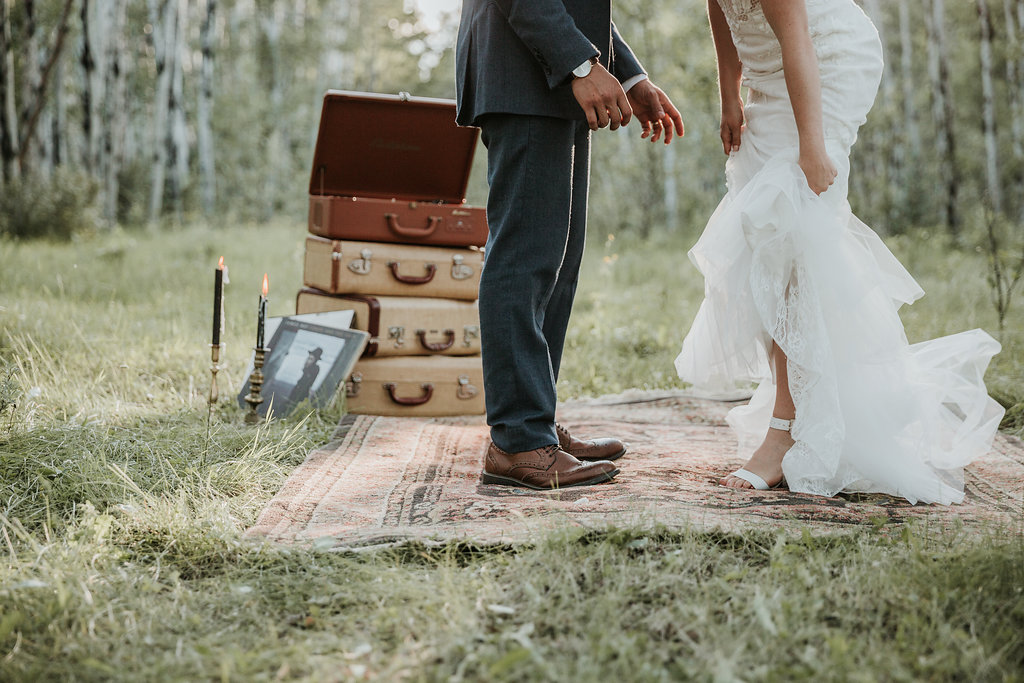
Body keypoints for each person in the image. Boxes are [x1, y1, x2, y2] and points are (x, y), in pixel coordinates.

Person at [676, 0, 1005, 504]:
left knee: (791, 231)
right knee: (760, 233)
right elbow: (721, 10)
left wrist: (812, 143)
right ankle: (802, 410)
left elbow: (798, 40)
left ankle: (786, 429)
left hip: (824, 60)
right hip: (768, 69)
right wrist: (730, 95)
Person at [456, 0, 685, 489]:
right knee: (525, 259)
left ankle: (535, 427)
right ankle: (518, 440)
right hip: (524, 73)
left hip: (547, 77)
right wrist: (580, 63)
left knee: (555, 266)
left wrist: (627, 77)